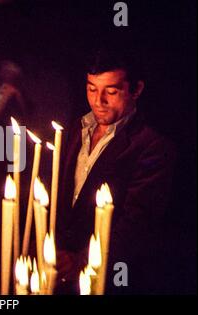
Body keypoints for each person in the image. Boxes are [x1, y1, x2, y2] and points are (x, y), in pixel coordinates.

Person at [55, 47, 176, 294]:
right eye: (91, 89)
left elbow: (137, 224)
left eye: (111, 91)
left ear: (136, 90)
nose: (98, 101)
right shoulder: (75, 129)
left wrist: (81, 260)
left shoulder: (152, 146)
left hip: (109, 279)